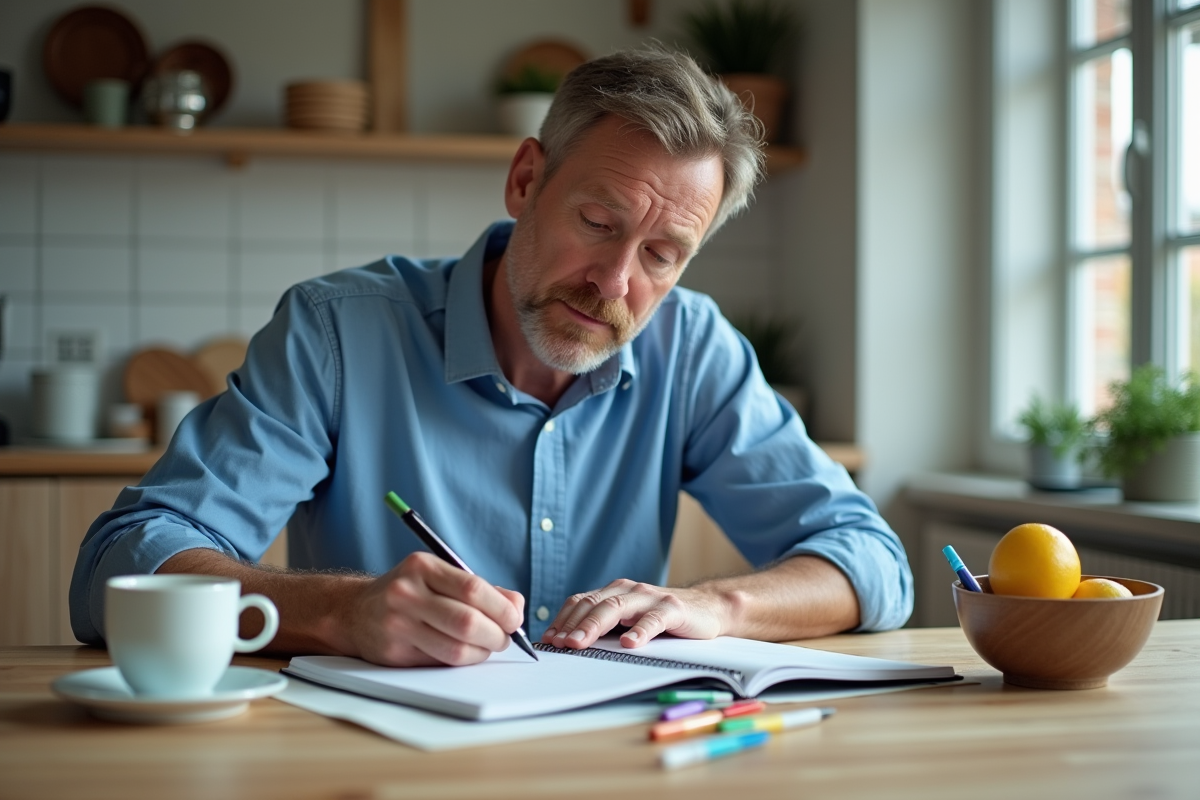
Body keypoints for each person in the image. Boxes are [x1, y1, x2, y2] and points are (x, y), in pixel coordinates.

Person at [70, 48, 913, 667]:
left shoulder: (692, 348)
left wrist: (714, 606)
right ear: (525, 180)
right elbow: (121, 561)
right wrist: (334, 611)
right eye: (598, 222)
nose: (615, 282)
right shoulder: (337, 333)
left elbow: (870, 562)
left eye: (662, 253)